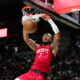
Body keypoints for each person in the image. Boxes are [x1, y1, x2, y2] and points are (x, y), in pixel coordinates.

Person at [15, 14, 60, 80]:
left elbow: (57, 35)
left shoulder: (52, 48)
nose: (46, 36)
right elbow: (26, 39)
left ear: (51, 39)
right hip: (30, 73)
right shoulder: (37, 47)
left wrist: (49, 20)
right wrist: (25, 25)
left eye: (48, 36)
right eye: (45, 35)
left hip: (41, 76)